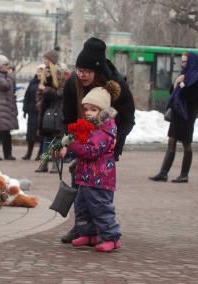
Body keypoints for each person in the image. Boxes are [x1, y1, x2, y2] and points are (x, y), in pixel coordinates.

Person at [61, 37, 135, 243]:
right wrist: (69, 141)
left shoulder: (115, 85)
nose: (82, 75)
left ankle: (106, 232)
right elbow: (67, 117)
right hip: (81, 143)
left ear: (98, 70)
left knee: (99, 192)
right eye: (79, 70)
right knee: (80, 188)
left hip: (105, 145)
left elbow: (128, 118)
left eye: (87, 71)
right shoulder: (72, 85)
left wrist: (113, 147)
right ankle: (84, 229)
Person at [59, 82, 121, 252]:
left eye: (93, 109)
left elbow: (91, 151)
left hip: (100, 179)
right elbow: (82, 147)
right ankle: (89, 234)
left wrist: (72, 146)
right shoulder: (92, 127)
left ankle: (111, 238)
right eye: (86, 109)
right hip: (87, 178)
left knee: (101, 208)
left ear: (103, 110)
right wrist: (68, 147)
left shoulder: (105, 130)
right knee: (83, 207)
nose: (88, 113)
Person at [149, 52, 198, 183]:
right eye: (182, 61)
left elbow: (188, 95)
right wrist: (176, 83)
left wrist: (181, 84)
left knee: (186, 144)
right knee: (171, 141)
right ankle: (163, 173)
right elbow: (172, 93)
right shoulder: (183, 74)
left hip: (187, 115)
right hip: (177, 113)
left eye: (185, 62)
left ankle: (184, 175)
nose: (183, 64)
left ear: (192, 62)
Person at [35, 49, 67, 173]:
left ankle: (55, 164)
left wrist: (46, 90)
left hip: (57, 110)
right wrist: (39, 103)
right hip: (46, 110)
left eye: (46, 59)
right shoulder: (45, 73)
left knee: (56, 138)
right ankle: (43, 164)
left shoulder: (60, 74)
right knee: (45, 138)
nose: (44, 61)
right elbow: (39, 92)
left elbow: (61, 93)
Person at [0, 55, 18, 161]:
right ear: (0, 65)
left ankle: (8, 154)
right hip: (0, 106)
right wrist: (10, 76)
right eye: (6, 64)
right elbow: (6, 86)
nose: (8, 66)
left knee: (6, 131)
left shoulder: (3, 75)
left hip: (6, 105)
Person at [22, 64, 45, 160]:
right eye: (38, 71)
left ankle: (40, 153)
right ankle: (29, 153)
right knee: (30, 133)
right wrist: (25, 109)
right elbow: (27, 96)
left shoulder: (46, 83)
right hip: (32, 111)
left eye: (41, 71)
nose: (39, 73)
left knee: (40, 133)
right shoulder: (32, 82)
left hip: (41, 112)